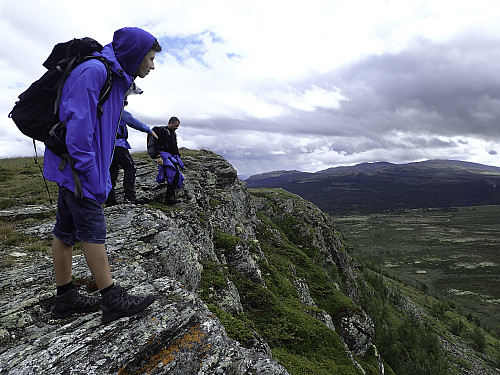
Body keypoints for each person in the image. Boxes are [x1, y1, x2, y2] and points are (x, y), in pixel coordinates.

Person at [43, 27, 162, 324]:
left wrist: (147, 129)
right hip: (79, 168)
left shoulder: (114, 78)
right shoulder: (96, 71)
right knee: (93, 230)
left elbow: (114, 117)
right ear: (135, 55)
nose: (152, 64)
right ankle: (111, 298)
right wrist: (90, 172)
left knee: (65, 232)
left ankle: (65, 296)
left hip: (75, 167)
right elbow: (78, 125)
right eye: (149, 57)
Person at [105, 86, 158, 206]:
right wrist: (148, 130)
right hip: (118, 145)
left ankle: (110, 200)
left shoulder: (106, 110)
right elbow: (132, 120)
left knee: (112, 172)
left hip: (108, 147)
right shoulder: (118, 111)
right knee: (131, 167)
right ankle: (129, 197)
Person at [149, 116, 184, 205]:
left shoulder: (172, 133)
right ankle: (169, 198)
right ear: (171, 123)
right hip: (164, 155)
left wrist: (178, 155)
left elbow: (174, 145)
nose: (177, 128)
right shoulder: (162, 131)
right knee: (172, 173)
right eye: (176, 125)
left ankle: (170, 196)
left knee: (175, 174)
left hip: (171, 156)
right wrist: (158, 156)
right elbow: (156, 143)